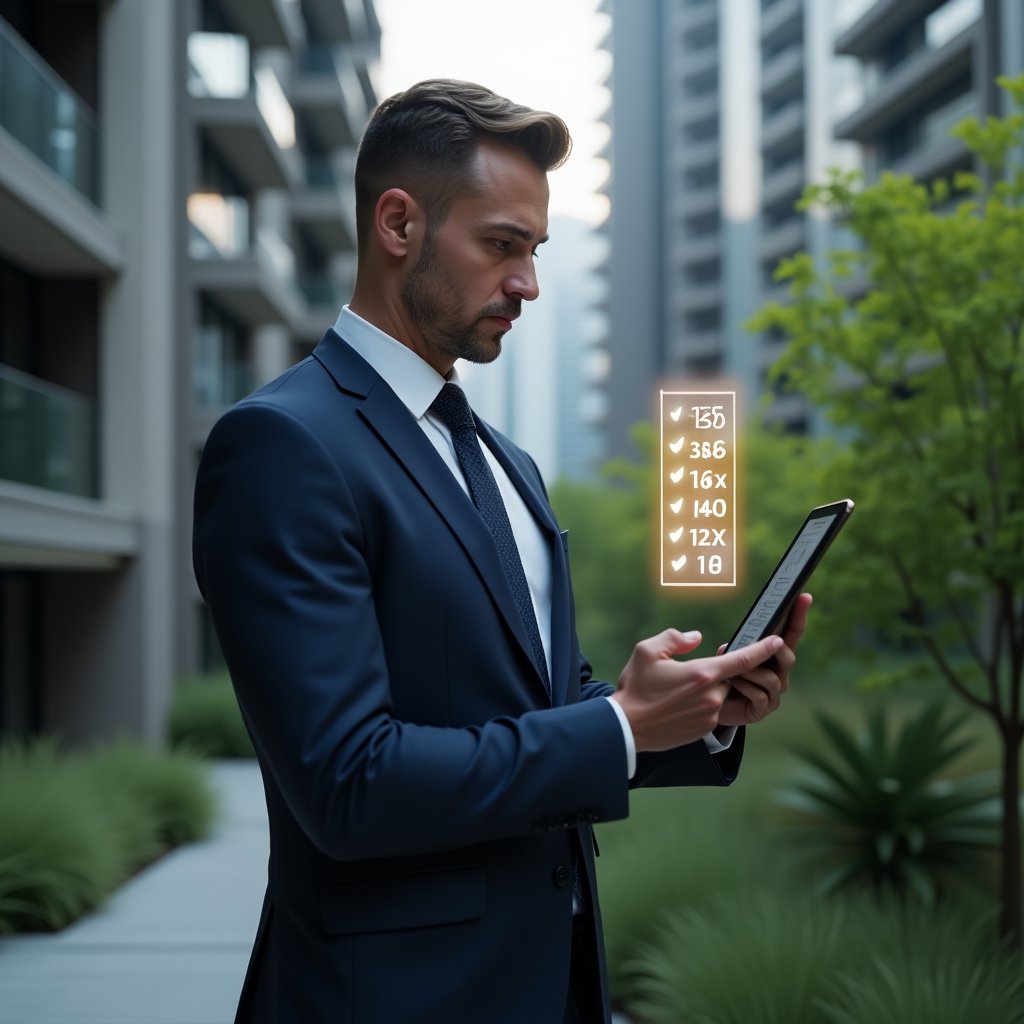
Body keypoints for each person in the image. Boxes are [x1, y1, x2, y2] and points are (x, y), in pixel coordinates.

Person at [192, 79, 811, 1024]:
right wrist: (618, 728)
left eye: (536, 250)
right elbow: (349, 782)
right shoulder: (282, 445)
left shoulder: (505, 462)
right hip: (393, 1000)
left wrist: (690, 713)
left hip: (552, 984)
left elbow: (537, 707)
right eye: (501, 245)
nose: (527, 284)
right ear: (398, 223)